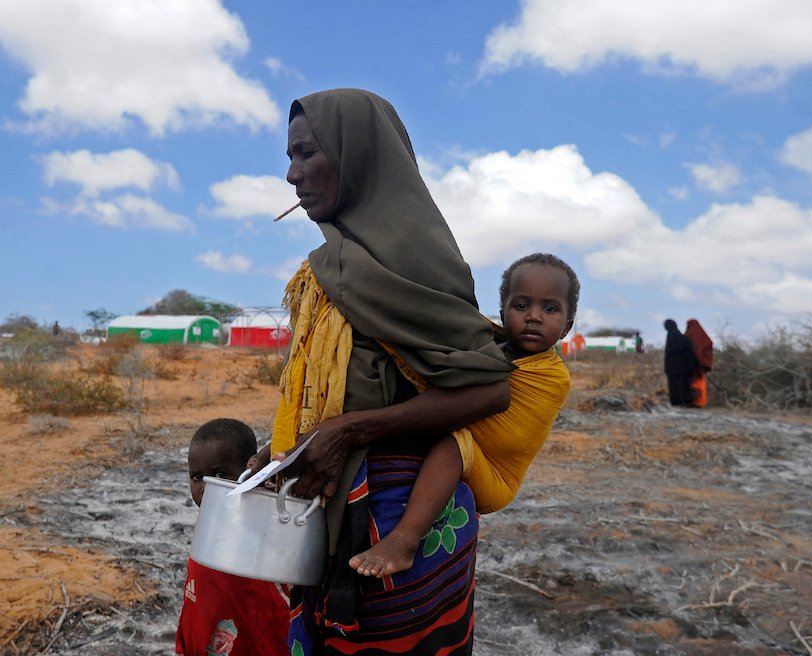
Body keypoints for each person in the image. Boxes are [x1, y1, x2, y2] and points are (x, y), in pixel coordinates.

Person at [259, 89, 514, 655]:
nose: (291, 174)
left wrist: (351, 432)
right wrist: (275, 451)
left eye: (305, 153)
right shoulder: (329, 263)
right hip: (331, 513)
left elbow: (490, 389)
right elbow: (323, 388)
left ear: (359, 155)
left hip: (405, 528)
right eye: (288, 158)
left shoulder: (414, 255)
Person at [349, 253, 578, 578]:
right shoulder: (488, 349)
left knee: (454, 442)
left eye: (550, 309)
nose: (534, 317)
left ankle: (404, 540)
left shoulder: (552, 378)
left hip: (496, 474)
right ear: (502, 312)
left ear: (567, 326)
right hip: (472, 446)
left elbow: (488, 419)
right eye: (521, 305)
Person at [176, 418, 290, 656]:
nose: (207, 487)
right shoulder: (206, 529)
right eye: (197, 477)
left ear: (251, 470)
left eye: (220, 474)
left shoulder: (267, 526)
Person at [663, 319, 696, 406]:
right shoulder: (683, 338)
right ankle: (684, 401)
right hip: (683, 367)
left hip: (674, 367)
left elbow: (670, 354)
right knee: (683, 385)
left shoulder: (671, 337)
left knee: (675, 386)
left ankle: (677, 402)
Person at [685, 319, 713, 408]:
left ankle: (692, 401)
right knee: (700, 382)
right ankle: (700, 402)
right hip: (701, 364)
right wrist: (704, 358)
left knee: (691, 382)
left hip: (690, 364)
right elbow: (709, 343)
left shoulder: (688, 334)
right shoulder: (703, 334)